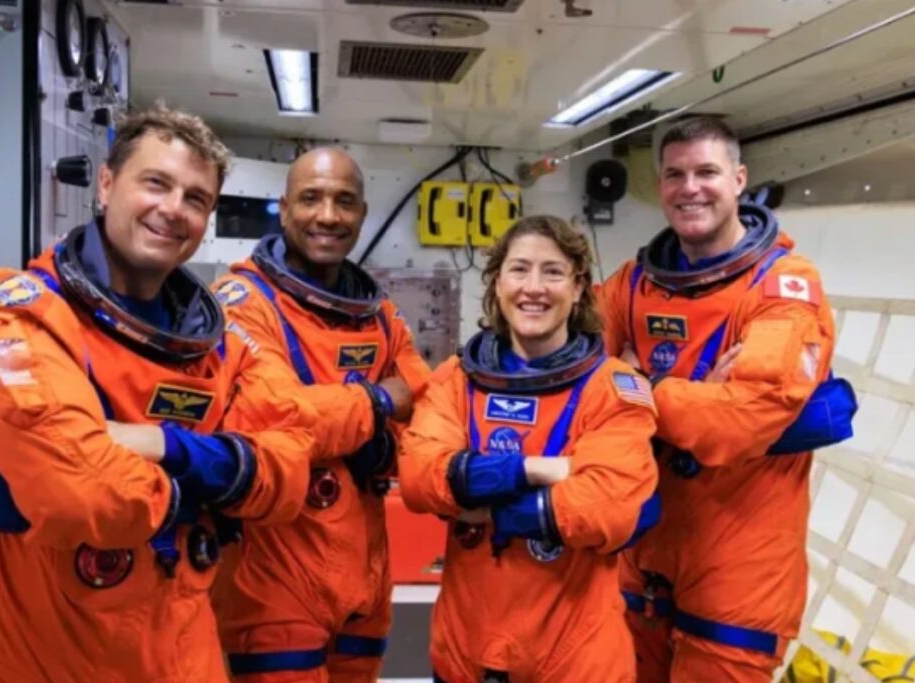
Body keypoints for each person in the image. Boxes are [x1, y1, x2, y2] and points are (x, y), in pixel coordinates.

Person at [0, 105, 315, 682]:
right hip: (42, 663)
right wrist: (213, 485)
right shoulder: (23, 312)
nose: (173, 209)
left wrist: (163, 446)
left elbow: (290, 470)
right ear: (106, 184)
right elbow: (83, 494)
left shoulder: (220, 345)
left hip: (183, 658)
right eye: (156, 183)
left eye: (196, 198)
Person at [597, 116, 840, 682]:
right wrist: (700, 397)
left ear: (738, 179)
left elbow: (744, 418)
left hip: (740, 562)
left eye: (707, 171)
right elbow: (576, 381)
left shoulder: (784, 287)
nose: (690, 188)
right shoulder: (632, 285)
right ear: (660, 187)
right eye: (674, 174)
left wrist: (643, 389)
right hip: (641, 554)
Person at [398, 215, 660, 683]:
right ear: (497, 282)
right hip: (465, 654)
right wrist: (540, 470)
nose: (533, 287)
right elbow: (420, 478)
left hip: (576, 661)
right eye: (519, 270)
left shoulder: (614, 390)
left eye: (553, 272)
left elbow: (609, 507)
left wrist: (487, 505)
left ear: (579, 288)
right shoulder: (457, 382)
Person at [209, 147, 432, 682]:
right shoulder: (243, 303)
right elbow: (273, 420)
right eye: (311, 198)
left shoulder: (379, 316)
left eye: (344, 201)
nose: (328, 215)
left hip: (367, 571)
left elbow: (427, 405)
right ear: (284, 208)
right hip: (273, 574)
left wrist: (359, 430)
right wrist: (378, 402)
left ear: (361, 213)